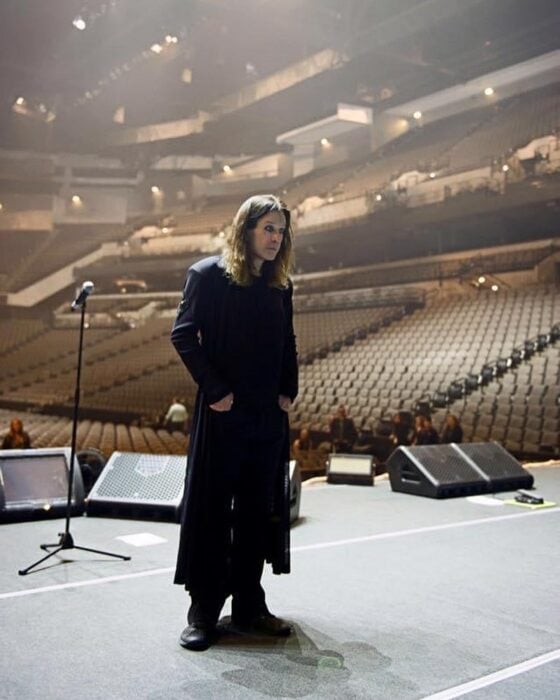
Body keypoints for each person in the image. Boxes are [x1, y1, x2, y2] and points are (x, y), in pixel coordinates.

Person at [171, 194, 298, 652]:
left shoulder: (280, 286)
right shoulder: (208, 276)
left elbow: (288, 340)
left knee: (255, 514)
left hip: (266, 419)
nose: (275, 237)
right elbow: (183, 334)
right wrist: (216, 389)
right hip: (224, 416)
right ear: (245, 230)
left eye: (280, 230)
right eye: (267, 228)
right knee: (211, 513)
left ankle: (248, 605)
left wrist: (290, 387)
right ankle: (203, 611)